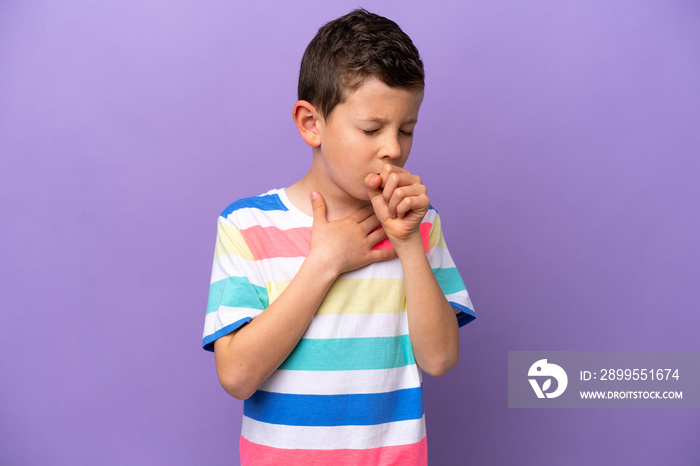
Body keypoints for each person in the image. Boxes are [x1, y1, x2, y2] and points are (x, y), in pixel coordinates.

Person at [203, 9, 476, 465]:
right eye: (371, 129)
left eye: (406, 129)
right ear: (312, 124)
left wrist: (409, 245)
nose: (393, 147)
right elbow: (237, 377)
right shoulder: (247, 225)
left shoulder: (420, 224)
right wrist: (325, 261)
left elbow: (440, 359)